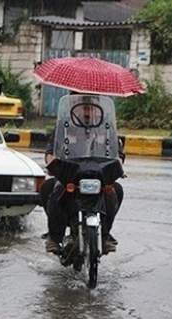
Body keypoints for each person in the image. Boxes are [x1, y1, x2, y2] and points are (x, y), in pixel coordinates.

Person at [42, 95, 124, 255]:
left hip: (98, 175)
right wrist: (52, 163)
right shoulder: (64, 126)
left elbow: (117, 153)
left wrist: (118, 164)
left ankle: (105, 235)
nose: (87, 111)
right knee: (52, 189)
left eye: (91, 107)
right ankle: (54, 237)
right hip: (71, 174)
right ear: (75, 107)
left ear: (97, 108)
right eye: (83, 107)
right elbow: (50, 152)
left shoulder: (107, 128)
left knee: (115, 191)